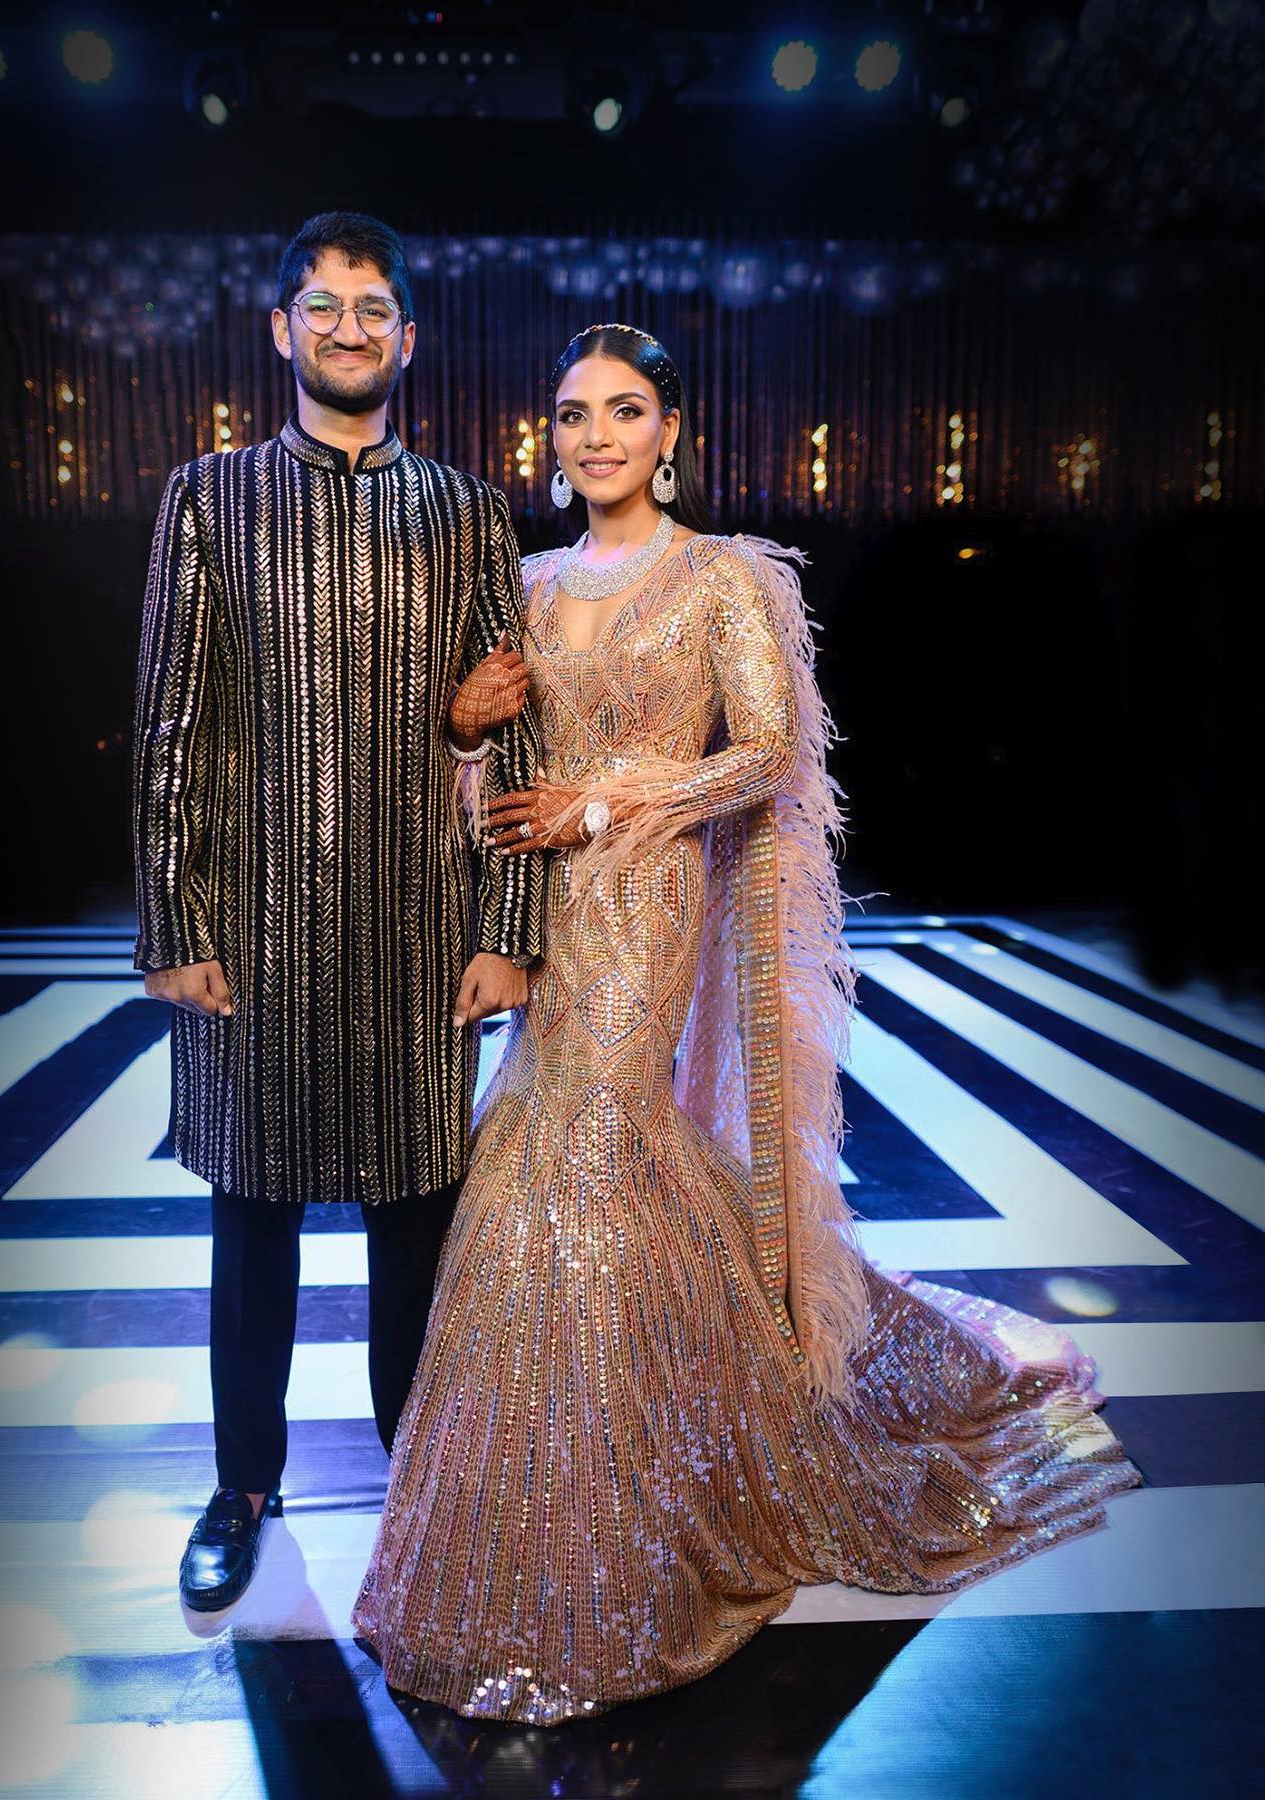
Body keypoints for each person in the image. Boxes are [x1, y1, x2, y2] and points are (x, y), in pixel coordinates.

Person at [350, 323, 1144, 1722]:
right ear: (554, 438)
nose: (597, 435)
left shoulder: (721, 575)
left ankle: (618, 1513)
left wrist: (610, 801)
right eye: (574, 413)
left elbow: (768, 753)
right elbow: (488, 787)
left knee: (581, 1152)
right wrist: (467, 734)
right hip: (542, 910)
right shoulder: (523, 585)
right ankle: (568, 1491)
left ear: (671, 433)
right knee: (554, 1162)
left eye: (626, 411)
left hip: (649, 896)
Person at [131, 212, 545, 1613]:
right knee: (251, 1218)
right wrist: (175, 925)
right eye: (323, 307)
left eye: (372, 308)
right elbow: (173, 724)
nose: (348, 329)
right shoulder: (210, 497)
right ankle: (243, 1485)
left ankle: (420, 1486)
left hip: (420, 931)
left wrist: (509, 926)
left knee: (415, 1221)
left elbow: (513, 727)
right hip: (253, 929)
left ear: (407, 337)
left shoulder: (467, 510)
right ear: (281, 331)